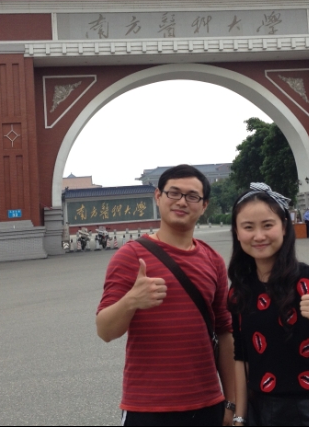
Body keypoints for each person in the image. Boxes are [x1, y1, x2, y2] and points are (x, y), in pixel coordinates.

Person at [96, 165, 236, 426]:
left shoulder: (213, 260)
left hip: (207, 404)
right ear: (158, 197)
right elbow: (105, 330)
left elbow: (225, 332)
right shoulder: (129, 256)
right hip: (147, 407)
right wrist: (132, 300)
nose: (182, 202)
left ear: (204, 205)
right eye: (174, 193)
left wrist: (231, 402)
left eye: (192, 196)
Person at [228, 183, 309, 427]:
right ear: (236, 231)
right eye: (248, 227)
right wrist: (239, 417)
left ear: (284, 226)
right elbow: (241, 358)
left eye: (268, 225)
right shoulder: (239, 291)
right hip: (264, 411)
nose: (259, 236)